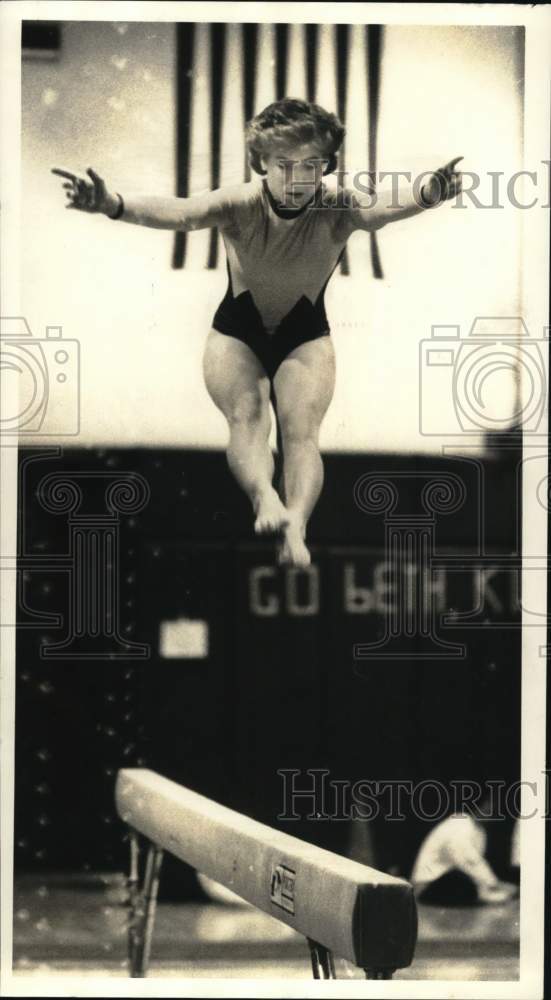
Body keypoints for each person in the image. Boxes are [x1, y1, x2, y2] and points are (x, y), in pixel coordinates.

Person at [53, 98, 462, 567]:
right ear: (260, 164)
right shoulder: (240, 203)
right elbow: (182, 213)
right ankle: (264, 496)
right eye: (284, 166)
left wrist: (429, 192)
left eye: (311, 166)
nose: (298, 179)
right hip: (237, 332)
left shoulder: (339, 205)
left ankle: (297, 525)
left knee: (302, 434)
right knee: (247, 416)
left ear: (327, 166)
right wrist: (112, 204)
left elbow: (381, 212)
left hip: (304, 333)